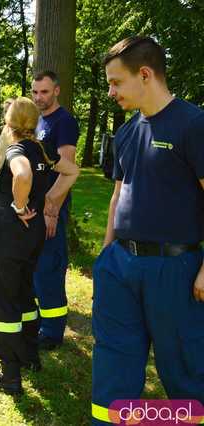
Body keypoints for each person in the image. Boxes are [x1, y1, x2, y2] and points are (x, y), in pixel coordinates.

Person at [91, 36, 204, 424]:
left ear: (145, 74)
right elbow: (117, 196)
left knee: (186, 371)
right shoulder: (125, 133)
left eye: (115, 82)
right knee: (112, 366)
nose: (110, 92)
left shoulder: (194, 124)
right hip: (120, 267)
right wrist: (107, 253)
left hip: (175, 270)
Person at [0, 97, 79, 395]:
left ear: (9, 124)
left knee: (1, 300)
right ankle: (29, 356)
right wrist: (49, 199)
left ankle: (9, 375)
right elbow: (72, 171)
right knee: (23, 293)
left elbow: (21, 174)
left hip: (10, 232)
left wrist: (19, 206)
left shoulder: (17, 149)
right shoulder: (42, 149)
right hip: (32, 235)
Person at [30, 71, 79, 350]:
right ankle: (40, 321)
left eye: (45, 92)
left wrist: (52, 209)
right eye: (35, 92)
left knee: (49, 267)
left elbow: (67, 167)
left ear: (57, 91)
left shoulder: (64, 121)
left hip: (52, 206)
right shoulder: (37, 120)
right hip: (37, 204)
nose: (39, 97)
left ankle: (52, 332)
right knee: (36, 266)